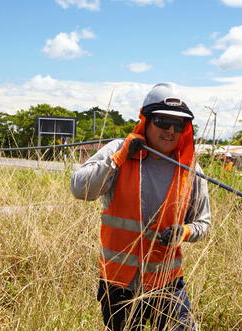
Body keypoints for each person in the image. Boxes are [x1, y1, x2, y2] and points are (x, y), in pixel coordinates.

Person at [71, 82, 211, 330]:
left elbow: (203, 223)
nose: (170, 130)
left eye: (178, 125)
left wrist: (185, 232)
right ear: (146, 120)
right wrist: (118, 158)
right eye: (162, 122)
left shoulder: (189, 168)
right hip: (119, 282)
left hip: (167, 282)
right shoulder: (119, 151)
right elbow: (80, 189)